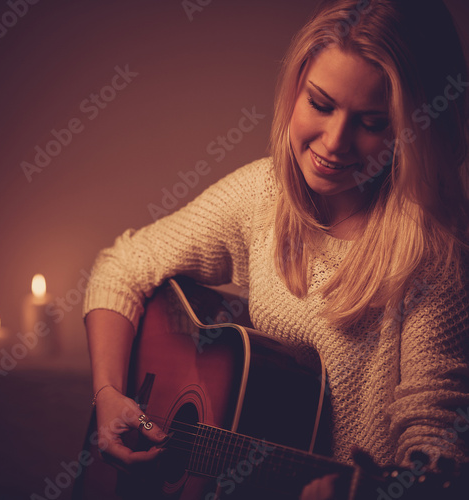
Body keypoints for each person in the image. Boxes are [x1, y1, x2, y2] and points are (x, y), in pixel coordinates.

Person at [82, 0, 469, 498]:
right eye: (321, 104)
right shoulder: (265, 197)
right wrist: (108, 392)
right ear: (295, 89)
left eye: (372, 123)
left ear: (413, 131)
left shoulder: (434, 256)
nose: (333, 141)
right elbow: (122, 266)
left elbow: (439, 439)